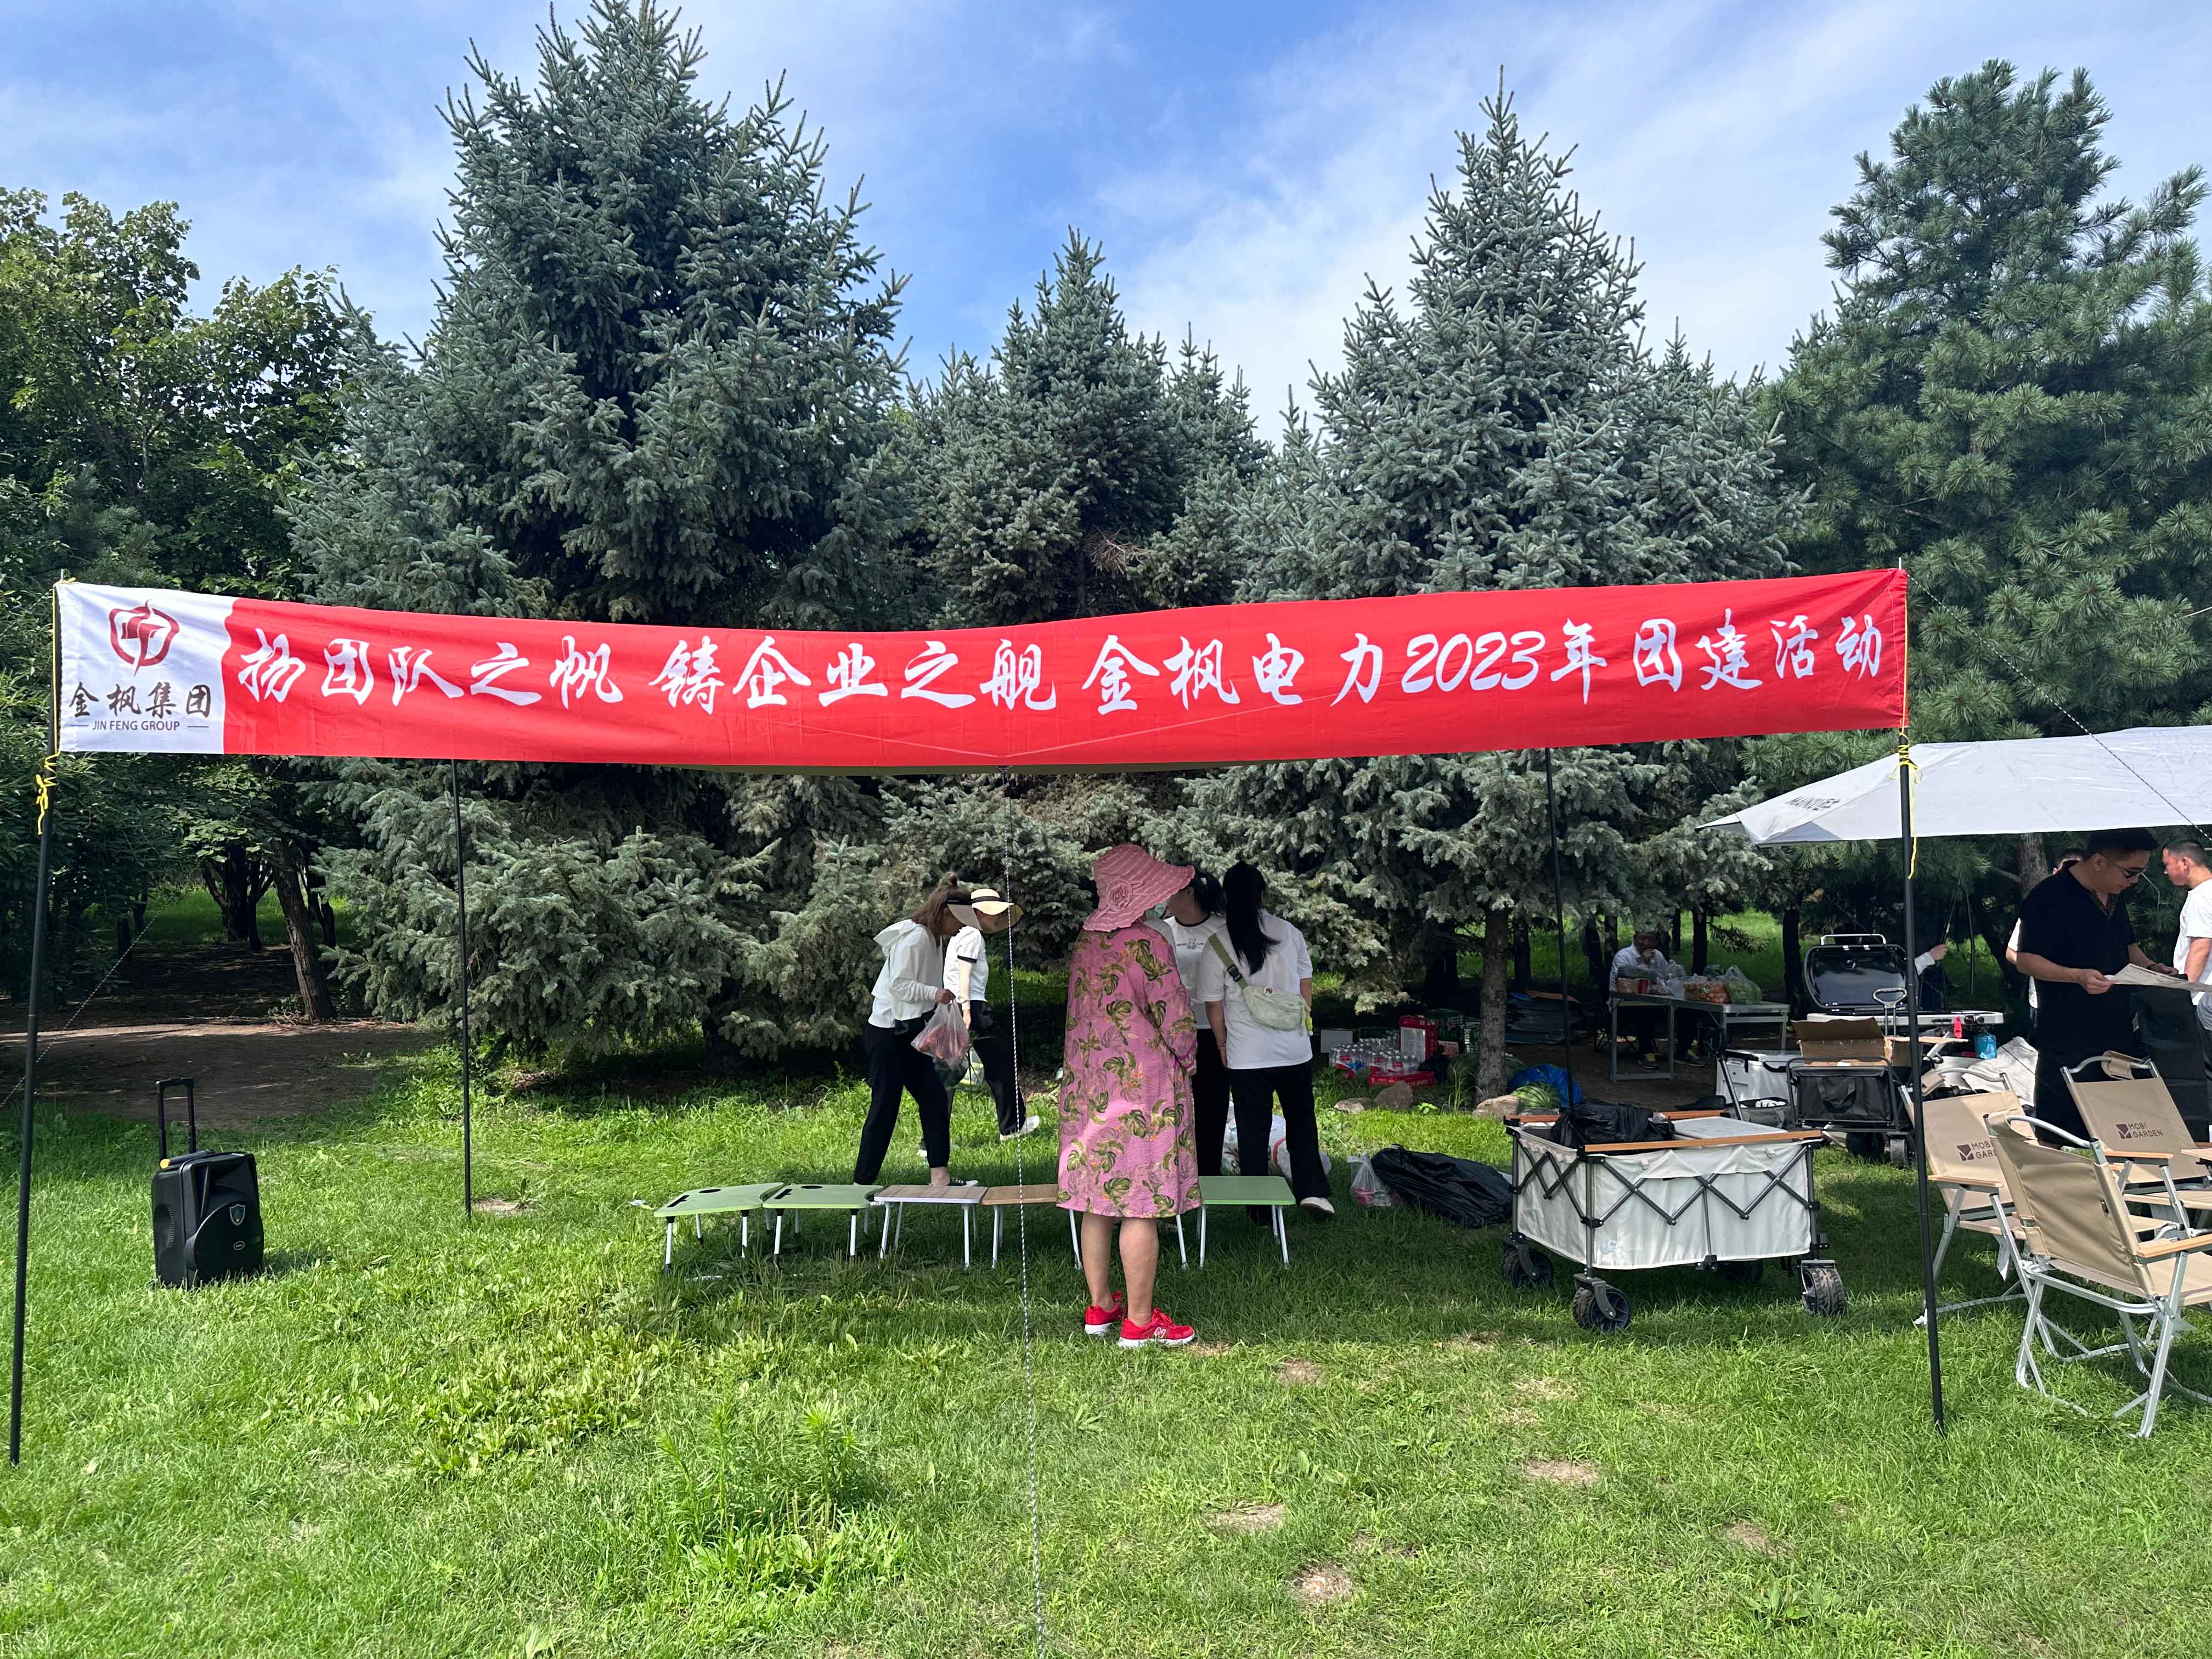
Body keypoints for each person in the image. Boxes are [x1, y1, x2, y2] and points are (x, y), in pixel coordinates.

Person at [1059, 844, 1200, 1348]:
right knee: (1141, 1204)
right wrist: (1190, 1061)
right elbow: (1176, 1019)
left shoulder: (1087, 942)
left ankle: (1100, 1307)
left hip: (1090, 1086)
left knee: (1097, 1200)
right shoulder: (1148, 944)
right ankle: (1140, 1323)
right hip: (1145, 1091)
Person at [2012, 829, 2179, 1139]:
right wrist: (2076, 975)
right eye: (2130, 873)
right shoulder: (2048, 897)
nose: (2134, 881)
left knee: (2125, 1125)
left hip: (2117, 1026)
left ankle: (2123, 1167)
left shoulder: (2113, 894)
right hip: (2068, 1031)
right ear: (2099, 862)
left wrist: (2152, 968)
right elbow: (2026, 960)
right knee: (2058, 1128)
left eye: (2141, 874)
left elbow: (2127, 946)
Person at [1198, 862, 1328, 1216]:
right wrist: (1302, 1023)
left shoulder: (1217, 944)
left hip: (1247, 1054)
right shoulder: (1290, 932)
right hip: (1294, 1049)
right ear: (1262, 894)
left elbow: (1213, 1005)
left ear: (1226, 896)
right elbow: (1305, 987)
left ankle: (1259, 1207)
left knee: (1253, 1130)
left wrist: (1222, 1045)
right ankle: (1313, 1192)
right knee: (1302, 1121)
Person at [853, 873, 967, 1188]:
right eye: (961, 919)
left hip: (909, 1032)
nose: (963, 927)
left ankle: (940, 1177)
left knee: (934, 1098)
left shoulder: (935, 939)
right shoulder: (916, 938)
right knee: (885, 1107)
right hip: (888, 1035)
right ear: (945, 913)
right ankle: (861, 1185)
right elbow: (899, 985)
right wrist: (935, 994)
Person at [947, 885, 1040, 1141]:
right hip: (972, 1008)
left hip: (954, 1007)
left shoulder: (959, 934)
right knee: (1000, 1066)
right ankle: (1013, 1127)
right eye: (994, 912)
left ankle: (932, 1141)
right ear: (978, 913)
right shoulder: (972, 935)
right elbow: (964, 975)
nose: (999, 917)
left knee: (947, 1076)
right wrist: (967, 1010)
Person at [1160, 871, 1232, 1176]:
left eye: (1169, 890)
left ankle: (1209, 1173)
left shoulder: (1223, 928)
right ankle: (1175, 1172)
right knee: (1172, 1106)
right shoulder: (1162, 930)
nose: (1164, 898)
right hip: (1173, 1032)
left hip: (1214, 1030)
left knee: (1212, 1105)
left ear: (1188, 893)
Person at [2006, 853, 2081, 1034]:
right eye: (2067, 871)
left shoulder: (2097, 910)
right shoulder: (2039, 908)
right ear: (2055, 873)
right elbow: (2011, 952)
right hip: (2043, 1000)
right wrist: (2038, 966)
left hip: (2085, 999)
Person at [1608, 928, 1682, 1069]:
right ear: (1635, 938)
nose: (1646, 943)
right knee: (1647, 1011)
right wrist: (1643, 962)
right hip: (1623, 1005)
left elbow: (1665, 978)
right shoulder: (1623, 956)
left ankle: (1683, 1050)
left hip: (1654, 1002)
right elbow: (1627, 982)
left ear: (1656, 941)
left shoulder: (1658, 956)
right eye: (1642, 939)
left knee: (1684, 1009)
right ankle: (1646, 1053)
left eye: (1651, 939)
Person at [2163, 840, 2212, 1048]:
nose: (2165, 872)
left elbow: (2200, 948)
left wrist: (2182, 993)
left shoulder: (2201, 898)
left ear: (2184, 862)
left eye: (2167, 864)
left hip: (2202, 999)